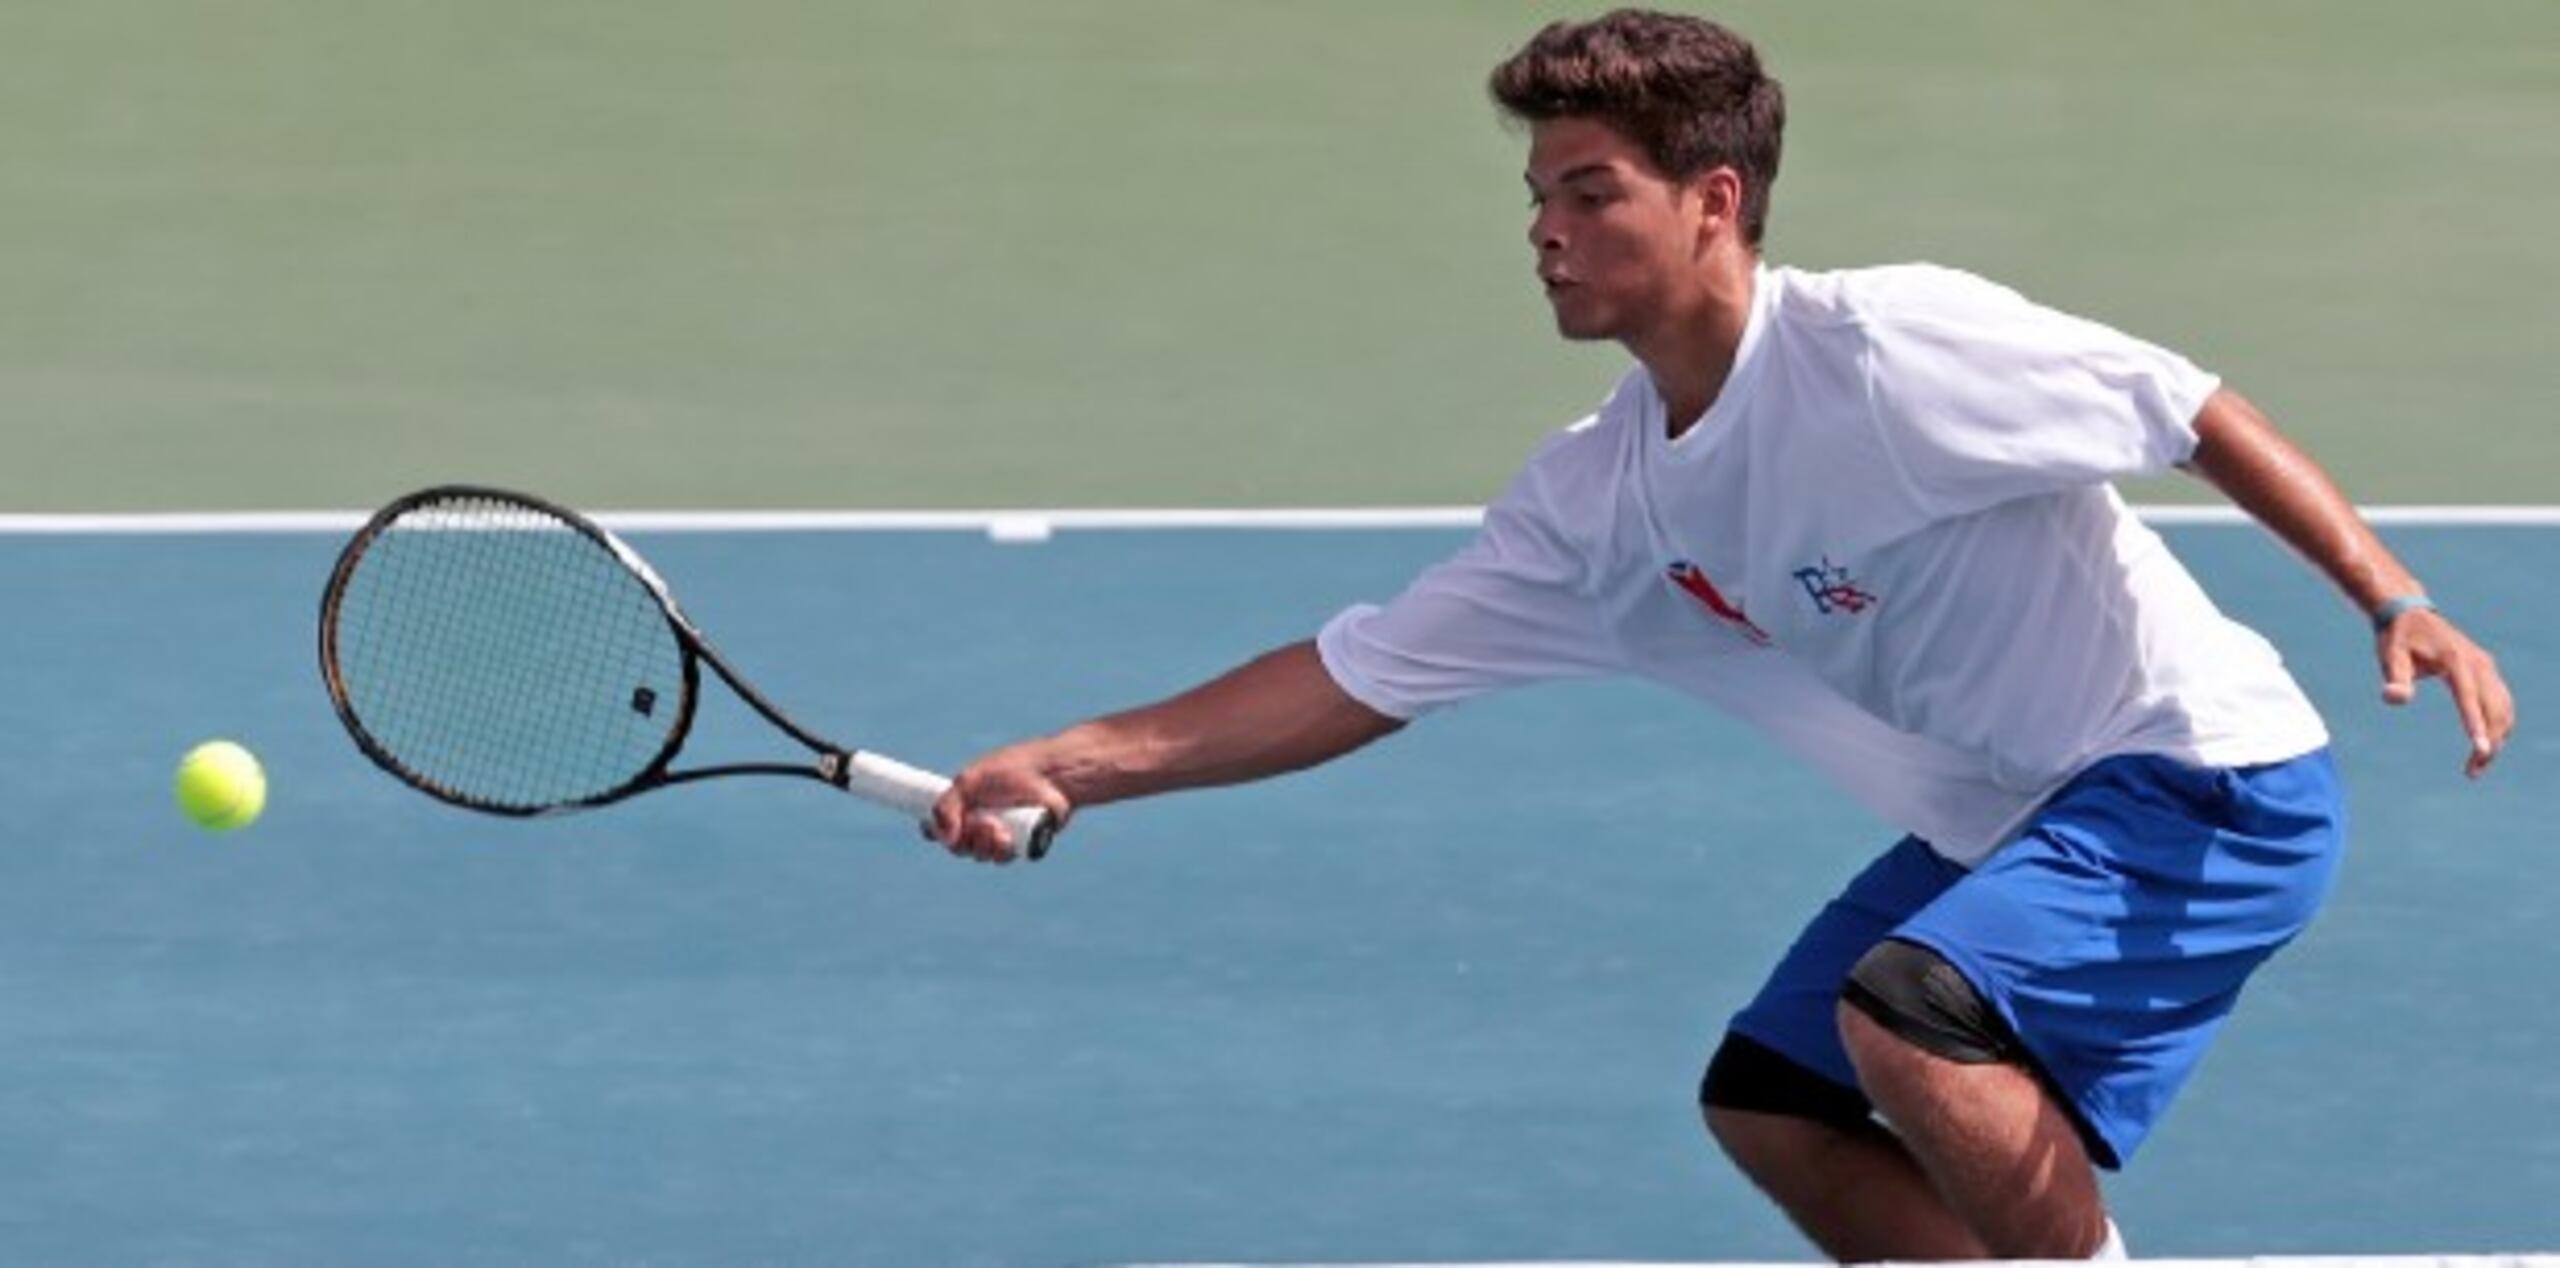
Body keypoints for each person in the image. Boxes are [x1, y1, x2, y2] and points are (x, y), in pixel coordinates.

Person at [928, 9, 2516, 1262]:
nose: (1545, 230)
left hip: (2200, 780)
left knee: (1911, 1011)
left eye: (1588, 191)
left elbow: (2186, 407)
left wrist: (2395, 596)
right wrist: (1069, 763)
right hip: (2015, 815)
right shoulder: (1598, 498)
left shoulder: (1891, 351)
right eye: (1537, 196)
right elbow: (1356, 677)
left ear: (1716, 203)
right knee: (1775, 1103)